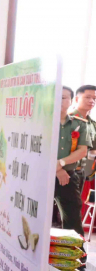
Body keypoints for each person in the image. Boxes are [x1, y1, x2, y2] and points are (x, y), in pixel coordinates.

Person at [55, 87, 92, 235]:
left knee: (73, 216)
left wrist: (61, 164)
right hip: (42, 174)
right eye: (56, 96)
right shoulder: (40, 122)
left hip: (68, 177)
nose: (60, 100)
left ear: (71, 101)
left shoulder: (80, 124)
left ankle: (76, 255)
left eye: (64, 97)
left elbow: (83, 151)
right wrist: (58, 170)